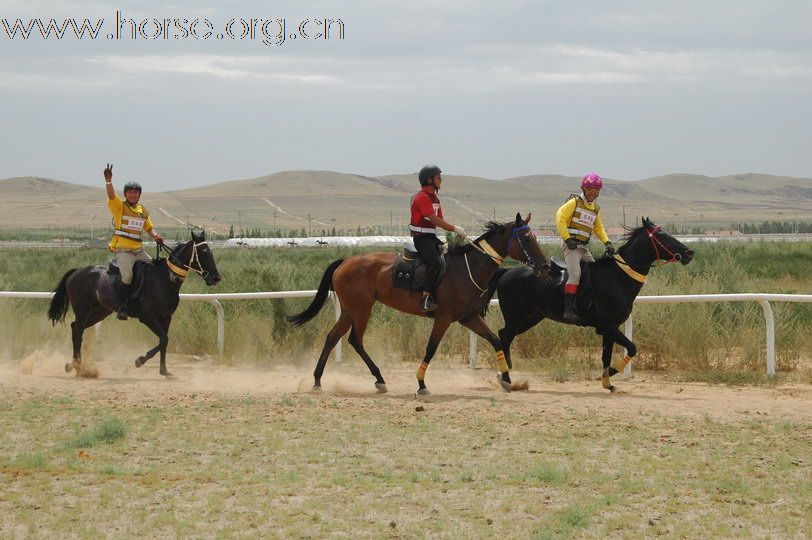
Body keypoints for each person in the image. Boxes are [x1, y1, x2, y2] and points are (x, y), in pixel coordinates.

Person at [104, 163, 163, 320]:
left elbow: (149, 227)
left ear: (140, 195)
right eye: (130, 192)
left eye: (136, 192)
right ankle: (122, 308)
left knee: (155, 270)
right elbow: (111, 195)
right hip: (123, 249)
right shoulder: (119, 206)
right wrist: (108, 181)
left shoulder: (143, 210)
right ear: (125, 194)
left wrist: (156, 236)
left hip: (138, 250)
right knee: (128, 275)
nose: (133, 194)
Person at [555, 172, 615, 323]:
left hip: (583, 248)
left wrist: (607, 242)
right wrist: (567, 239)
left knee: (596, 273)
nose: (593, 193)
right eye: (590, 190)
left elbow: (598, 228)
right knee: (575, 274)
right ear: (583, 188)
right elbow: (560, 217)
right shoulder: (574, 202)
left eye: (597, 191)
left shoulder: (595, 209)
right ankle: (568, 309)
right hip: (571, 247)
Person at [410, 164, 467, 311]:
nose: (441, 180)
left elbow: (440, 220)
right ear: (429, 180)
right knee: (435, 262)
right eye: (438, 177)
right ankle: (426, 297)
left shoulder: (435, 198)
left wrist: (456, 232)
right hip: (421, 239)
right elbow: (434, 219)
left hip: (431, 237)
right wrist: (455, 228)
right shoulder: (422, 198)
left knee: (450, 255)